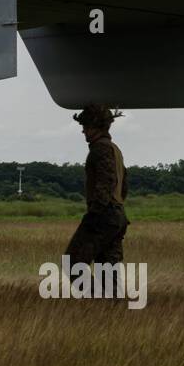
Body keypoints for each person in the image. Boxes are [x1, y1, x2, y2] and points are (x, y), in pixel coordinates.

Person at [64, 104, 129, 271]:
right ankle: (109, 298)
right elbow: (124, 186)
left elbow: (105, 183)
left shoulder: (100, 149)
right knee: (108, 270)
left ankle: (93, 296)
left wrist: (94, 214)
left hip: (104, 215)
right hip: (117, 214)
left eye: (86, 126)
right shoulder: (115, 149)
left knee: (72, 265)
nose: (83, 131)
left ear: (96, 127)